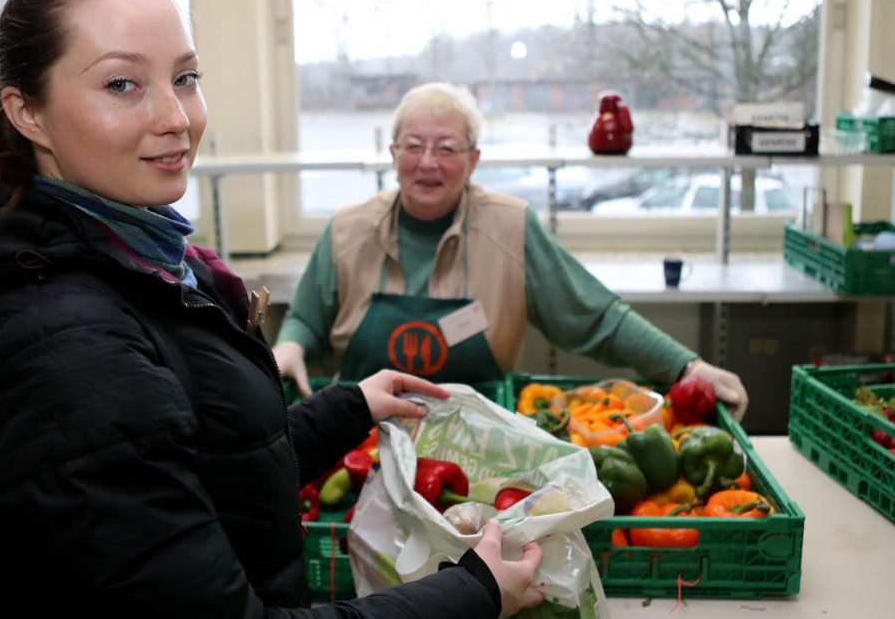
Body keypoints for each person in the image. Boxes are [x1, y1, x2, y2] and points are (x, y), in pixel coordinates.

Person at [0, 0, 545, 618]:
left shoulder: (136, 257)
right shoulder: (62, 345)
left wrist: (350, 407)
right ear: (28, 113)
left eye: (185, 77)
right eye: (122, 84)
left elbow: (198, 459)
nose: (176, 117)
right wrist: (475, 592)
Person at [273, 82, 749, 420]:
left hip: (481, 444)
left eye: (447, 148)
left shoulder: (511, 228)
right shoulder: (348, 230)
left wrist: (688, 367)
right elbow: (307, 319)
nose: (428, 162)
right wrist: (290, 345)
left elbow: (598, 318)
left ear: (473, 160)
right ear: (394, 155)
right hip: (359, 439)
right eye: (414, 146)